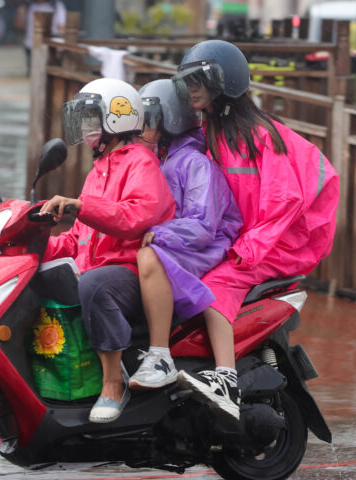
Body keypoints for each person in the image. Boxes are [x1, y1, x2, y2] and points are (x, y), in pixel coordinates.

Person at [171, 39, 340, 420]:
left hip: (280, 243)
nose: (192, 88)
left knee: (215, 286)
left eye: (200, 80)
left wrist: (250, 249)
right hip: (245, 237)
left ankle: (226, 380)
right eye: (189, 81)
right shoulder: (210, 134)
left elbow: (286, 201)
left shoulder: (260, 135)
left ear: (225, 83)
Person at [39, 78, 176, 423]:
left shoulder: (141, 163)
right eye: (82, 119)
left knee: (94, 285)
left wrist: (81, 206)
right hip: (97, 269)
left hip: (131, 273)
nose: (85, 128)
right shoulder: (97, 172)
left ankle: (114, 383)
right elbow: (76, 241)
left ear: (116, 120)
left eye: (91, 119)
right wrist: (33, 245)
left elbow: (135, 218)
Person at [127, 79, 242, 390]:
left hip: (201, 246)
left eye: (148, 121)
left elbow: (203, 225)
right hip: (178, 242)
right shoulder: (158, 160)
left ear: (170, 121)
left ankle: (159, 355)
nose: (141, 129)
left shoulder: (194, 163)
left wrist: (159, 233)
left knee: (149, 257)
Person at [15, 0, 67, 76]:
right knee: (33, 75)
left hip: (50, 47)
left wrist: (59, 46)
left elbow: (62, 28)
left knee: (49, 75)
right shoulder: (29, 5)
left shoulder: (55, 5)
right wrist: (20, 13)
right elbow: (19, 25)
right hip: (31, 46)